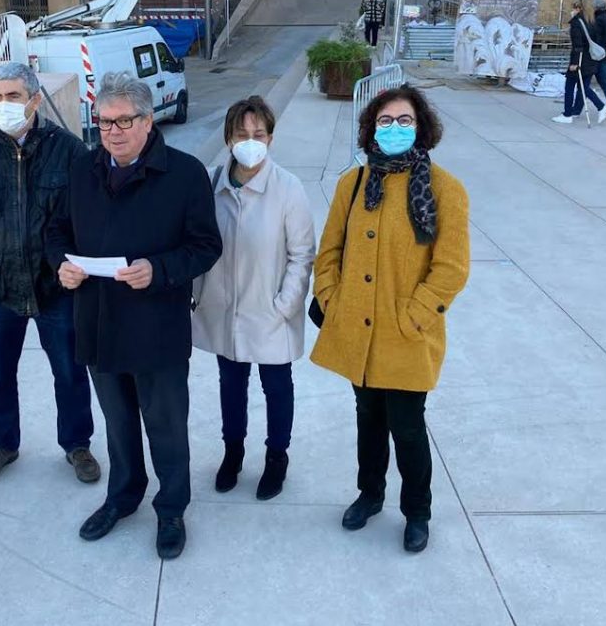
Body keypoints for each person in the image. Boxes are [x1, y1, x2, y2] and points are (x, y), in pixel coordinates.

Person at [57, 73, 222, 561]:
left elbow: (206, 246)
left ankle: (171, 509)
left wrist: (160, 268)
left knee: (166, 425)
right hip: (99, 323)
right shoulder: (82, 171)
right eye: (105, 121)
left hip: (156, 329)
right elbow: (55, 232)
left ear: (149, 121)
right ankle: (122, 497)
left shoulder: (186, 174)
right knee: (118, 423)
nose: (113, 130)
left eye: (125, 120)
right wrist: (60, 266)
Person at [311, 85, 470, 554]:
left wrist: (414, 316)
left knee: (407, 426)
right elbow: (330, 251)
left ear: (421, 128)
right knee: (367, 419)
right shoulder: (354, 184)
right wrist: (331, 297)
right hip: (357, 330)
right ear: (370, 128)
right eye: (385, 121)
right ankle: (370, 493)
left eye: (404, 121)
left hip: (406, 335)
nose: (394, 129)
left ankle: (417, 511)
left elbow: (451, 267)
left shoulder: (444, 189)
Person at [0, 62, 99, 486]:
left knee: (69, 370)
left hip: (55, 288)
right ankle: (1, 445)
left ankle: (77, 445)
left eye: (12, 96)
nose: (3, 104)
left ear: (34, 100)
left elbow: (91, 216)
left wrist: (78, 268)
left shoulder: (67, 150)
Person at [192, 97, 316, 501]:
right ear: (228, 138)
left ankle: (276, 458)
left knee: (277, 386)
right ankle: (233, 453)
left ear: (271, 138)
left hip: (269, 310)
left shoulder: (288, 189)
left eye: (258, 134)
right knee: (231, 384)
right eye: (242, 134)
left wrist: (285, 305)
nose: (250, 142)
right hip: (224, 309)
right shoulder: (212, 184)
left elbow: (302, 254)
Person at [553, 0, 606, 125]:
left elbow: (577, 45)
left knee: (569, 87)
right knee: (583, 87)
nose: (572, 11)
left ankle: (567, 114)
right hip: (590, 59)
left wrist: (574, 63)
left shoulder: (577, 23)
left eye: (574, 8)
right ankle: (601, 107)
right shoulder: (592, 21)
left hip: (580, 60)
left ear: (578, 9)